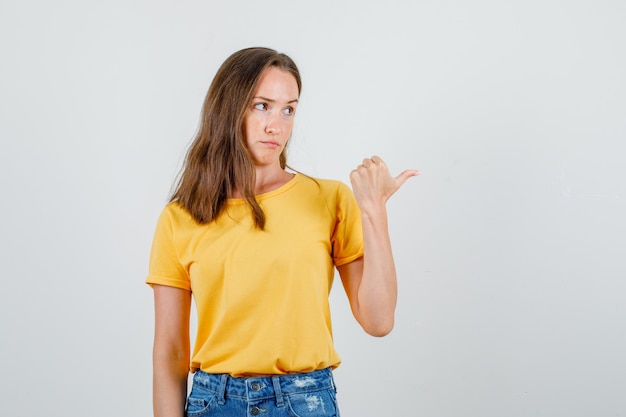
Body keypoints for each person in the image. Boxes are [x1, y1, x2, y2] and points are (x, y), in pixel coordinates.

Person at [146, 46, 419, 417]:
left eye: (288, 109)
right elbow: (171, 351)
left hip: (304, 401)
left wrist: (374, 211)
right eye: (262, 105)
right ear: (228, 109)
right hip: (214, 402)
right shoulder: (181, 216)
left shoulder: (328, 198)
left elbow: (378, 320)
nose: (277, 125)